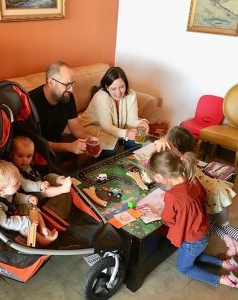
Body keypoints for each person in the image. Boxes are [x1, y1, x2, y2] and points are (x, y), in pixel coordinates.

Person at [147, 150, 238, 288]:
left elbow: (168, 220)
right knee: (193, 254)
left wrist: (161, 209)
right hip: (204, 231)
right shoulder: (193, 180)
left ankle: (225, 280)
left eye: (155, 178)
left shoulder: (172, 196)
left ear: (160, 177)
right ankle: (227, 264)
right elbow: (199, 198)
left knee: (184, 267)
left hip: (192, 239)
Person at [154, 126, 238, 257]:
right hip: (220, 192)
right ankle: (232, 245)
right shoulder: (187, 160)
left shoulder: (181, 165)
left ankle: (233, 242)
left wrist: (165, 141)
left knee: (222, 225)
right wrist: (165, 139)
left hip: (215, 197)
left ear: (174, 149)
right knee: (214, 224)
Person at [0, 160, 58, 246]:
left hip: (16, 212)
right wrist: (27, 221)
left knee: (31, 207)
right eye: (16, 183)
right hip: (11, 224)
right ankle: (41, 240)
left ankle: (43, 229)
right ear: (1, 190)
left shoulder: (7, 192)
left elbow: (16, 197)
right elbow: (4, 223)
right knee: (25, 228)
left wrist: (27, 198)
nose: (20, 183)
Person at [79, 66, 149, 158]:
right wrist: (126, 133)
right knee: (111, 148)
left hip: (116, 127)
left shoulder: (131, 95)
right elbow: (106, 126)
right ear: (107, 87)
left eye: (122, 87)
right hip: (95, 127)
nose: (118, 92)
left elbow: (131, 121)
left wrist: (142, 122)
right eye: (113, 89)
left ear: (126, 84)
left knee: (137, 140)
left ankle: (127, 163)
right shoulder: (101, 97)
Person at [29, 61, 92, 158]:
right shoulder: (31, 102)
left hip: (58, 145)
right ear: (51, 82)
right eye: (67, 85)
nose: (71, 89)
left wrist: (89, 139)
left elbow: (75, 126)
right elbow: (36, 142)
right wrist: (70, 147)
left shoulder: (67, 96)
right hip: (36, 152)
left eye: (72, 84)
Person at [10, 136, 72, 219]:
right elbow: (25, 184)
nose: (24, 159)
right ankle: (63, 189)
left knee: (50, 176)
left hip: (39, 183)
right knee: (42, 191)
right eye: (20, 156)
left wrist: (42, 182)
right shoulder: (14, 170)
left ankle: (62, 180)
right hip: (29, 194)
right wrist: (39, 186)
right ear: (11, 155)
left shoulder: (29, 165)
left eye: (29, 156)